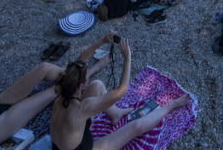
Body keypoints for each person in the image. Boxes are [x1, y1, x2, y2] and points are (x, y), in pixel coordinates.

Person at [51, 33, 190, 150]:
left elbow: (77, 63)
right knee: (135, 126)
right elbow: (122, 90)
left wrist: (102, 41)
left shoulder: (60, 93)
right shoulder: (83, 108)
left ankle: (116, 113)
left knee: (97, 85)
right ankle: (173, 105)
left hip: (62, 145)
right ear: (80, 87)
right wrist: (127, 57)